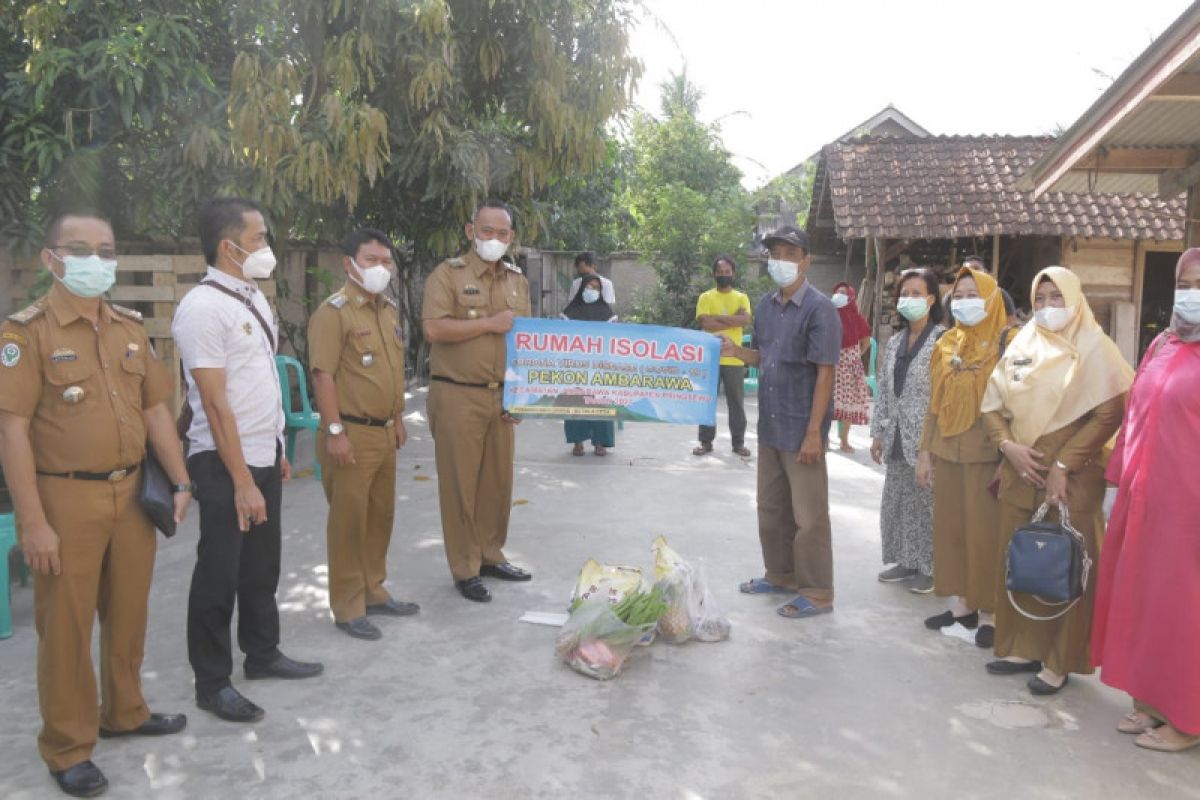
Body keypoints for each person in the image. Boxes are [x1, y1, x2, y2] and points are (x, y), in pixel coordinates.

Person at [0, 211, 192, 797]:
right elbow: (11, 429)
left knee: (128, 612)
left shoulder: (129, 328)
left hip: (133, 492)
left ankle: (125, 712)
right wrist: (32, 522)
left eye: (105, 249)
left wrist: (181, 482)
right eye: (80, 248)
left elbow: (157, 409)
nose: (95, 260)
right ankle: (67, 746)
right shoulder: (25, 334)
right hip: (64, 497)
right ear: (51, 260)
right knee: (66, 626)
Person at [173, 197, 323, 725]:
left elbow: (260, 381)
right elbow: (214, 403)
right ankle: (212, 682)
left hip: (262, 455)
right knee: (219, 571)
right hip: (221, 462)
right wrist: (241, 480)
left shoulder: (252, 297)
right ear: (228, 246)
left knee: (261, 566)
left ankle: (262, 653)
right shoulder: (201, 308)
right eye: (259, 238)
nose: (268, 247)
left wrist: (277, 450)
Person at [980, 267, 1131, 696]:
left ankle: (1059, 659)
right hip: (1020, 469)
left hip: (1073, 478)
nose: (1048, 307)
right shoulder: (1023, 342)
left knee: (1067, 564)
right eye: (1040, 298)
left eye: (1056, 297)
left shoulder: (1096, 348)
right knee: (1022, 558)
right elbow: (991, 405)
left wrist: (1063, 466)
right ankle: (1023, 646)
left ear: (1075, 298)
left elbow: (1110, 414)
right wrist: (1007, 446)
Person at [1091, 247, 1200, 752]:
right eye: (1186, 284)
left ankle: (1187, 719)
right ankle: (1151, 702)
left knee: (1183, 609)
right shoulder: (1162, 343)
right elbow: (1136, 412)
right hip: (1143, 499)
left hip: (1189, 507)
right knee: (1145, 600)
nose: (1191, 294)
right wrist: (1117, 480)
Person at [721, 225, 842, 619]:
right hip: (771, 427)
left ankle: (818, 591)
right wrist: (737, 351)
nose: (782, 261)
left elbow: (825, 374)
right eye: (776, 253)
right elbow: (765, 356)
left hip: (801, 429)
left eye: (791, 254)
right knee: (771, 509)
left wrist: (814, 434)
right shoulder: (766, 306)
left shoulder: (820, 309)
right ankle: (780, 574)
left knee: (809, 518)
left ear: (806, 260)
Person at [308, 228, 419, 641]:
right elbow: (323, 375)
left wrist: (399, 416)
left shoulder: (387, 310)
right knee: (349, 522)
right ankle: (348, 604)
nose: (380, 268)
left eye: (385, 261)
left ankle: (374, 589)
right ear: (349, 264)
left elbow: (389, 370)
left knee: (379, 517)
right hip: (350, 433)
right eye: (371, 260)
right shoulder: (333, 313)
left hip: (385, 432)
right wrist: (334, 431)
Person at [422, 199, 533, 603]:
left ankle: (490, 554)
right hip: (457, 394)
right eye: (486, 231)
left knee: (497, 485)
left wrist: (519, 394)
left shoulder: (517, 281)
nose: (494, 239)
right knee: (460, 486)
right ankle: (465, 567)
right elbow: (433, 328)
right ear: (471, 232)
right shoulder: (447, 276)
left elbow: (523, 343)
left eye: (502, 233)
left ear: (511, 237)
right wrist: (488, 323)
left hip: (501, 396)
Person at [917, 266, 1007, 648]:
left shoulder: (1008, 343)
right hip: (948, 450)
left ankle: (990, 612)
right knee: (951, 531)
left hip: (987, 454)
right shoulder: (947, 342)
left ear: (991, 298)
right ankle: (962, 606)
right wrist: (926, 452)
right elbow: (934, 404)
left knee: (985, 535)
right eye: (961, 294)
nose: (966, 301)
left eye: (975, 294)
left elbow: (1016, 408)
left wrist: (1008, 457)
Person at [871, 268, 945, 594]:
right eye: (904, 293)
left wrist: (933, 443)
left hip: (925, 437)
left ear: (931, 299)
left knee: (927, 502)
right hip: (896, 433)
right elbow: (885, 390)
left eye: (916, 293)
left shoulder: (942, 340)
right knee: (898, 501)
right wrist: (877, 432)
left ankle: (931, 567)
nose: (909, 299)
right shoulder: (897, 340)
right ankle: (906, 559)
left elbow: (944, 395)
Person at [694, 255, 752, 457]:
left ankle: (738, 443)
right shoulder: (705, 297)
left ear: (733, 274)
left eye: (727, 272)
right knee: (707, 401)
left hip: (734, 358)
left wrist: (717, 318)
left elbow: (745, 321)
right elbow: (705, 324)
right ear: (714, 274)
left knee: (736, 403)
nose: (724, 275)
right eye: (720, 272)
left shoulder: (741, 297)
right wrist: (733, 319)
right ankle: (705, 441)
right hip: (710, 358)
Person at [559, 273, 618, 456]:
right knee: (575, 401)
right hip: (576, 366)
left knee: (601, 403)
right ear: (582, 288)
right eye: (589, 287)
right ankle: (577, 442)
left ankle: (600, 443)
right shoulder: (568, 313)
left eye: (596, 288)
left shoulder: (608, 314)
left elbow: (614, 340)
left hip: (600, 367)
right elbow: (560, 338)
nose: (592, 291)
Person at [830, 282, 871, 453]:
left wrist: (853, 355)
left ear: (851, 297)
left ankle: (844, 440)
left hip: (849, 366)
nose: (839, 295)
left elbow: (866, 342)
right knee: (825, 402)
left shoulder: (857, 318)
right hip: (829, 363)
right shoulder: (827, 315)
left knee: (846, 404)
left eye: (843, 292)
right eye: (837, 291)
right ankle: (822, 438)